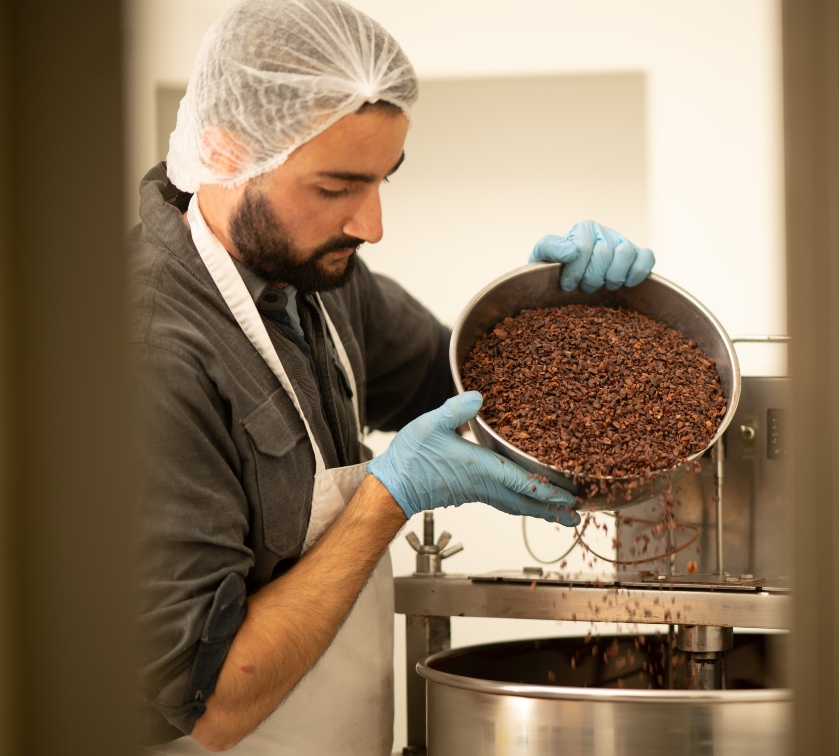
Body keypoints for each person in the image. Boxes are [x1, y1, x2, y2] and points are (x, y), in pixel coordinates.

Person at [132, 1, 655, 752]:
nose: (371, 226)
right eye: (335, 187)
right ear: (225, 152)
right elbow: (206, 699)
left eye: (383, 180)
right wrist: (389, 497)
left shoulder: (318, 276)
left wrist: (560, 311)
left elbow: (470, 395)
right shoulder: (153, 353)